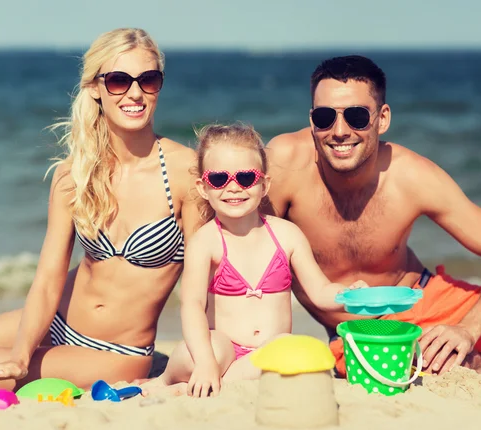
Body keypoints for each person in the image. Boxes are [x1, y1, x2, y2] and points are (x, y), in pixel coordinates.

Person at [265, 55, 481, 378]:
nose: (339, 131)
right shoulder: (284, 165)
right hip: (358, 333)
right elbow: (236, 246)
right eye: (324, 117)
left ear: (383, 118)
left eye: (357, 117)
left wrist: (468, 328)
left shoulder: (410, 175)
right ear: (311, 120)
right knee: (433, 366)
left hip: (428, 297)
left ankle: (479, 357)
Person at [0, 28, 200, 391]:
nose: (135, 93)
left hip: (116, 352)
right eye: (119, 80)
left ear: (159, 85)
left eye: (148, 80)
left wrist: (209, 355)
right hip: (53, 321)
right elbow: (48, 277)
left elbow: (205, 282)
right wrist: (21, 354)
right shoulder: (75, 173)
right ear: (94, 87)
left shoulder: (185, 172)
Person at [155, 123, 366, 398]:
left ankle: (210, 385)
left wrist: (349, 294)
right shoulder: (205, 242)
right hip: (216, 354)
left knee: (286, 346)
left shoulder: (286, 234)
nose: (233, 188)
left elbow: (320, 291)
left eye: (245, 177)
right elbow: (193, 305)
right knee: (212, 346)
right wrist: (206, 362)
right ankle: (169, 381)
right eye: (219, 179)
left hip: (266, 354)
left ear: (264, 184)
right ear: (203, 187)